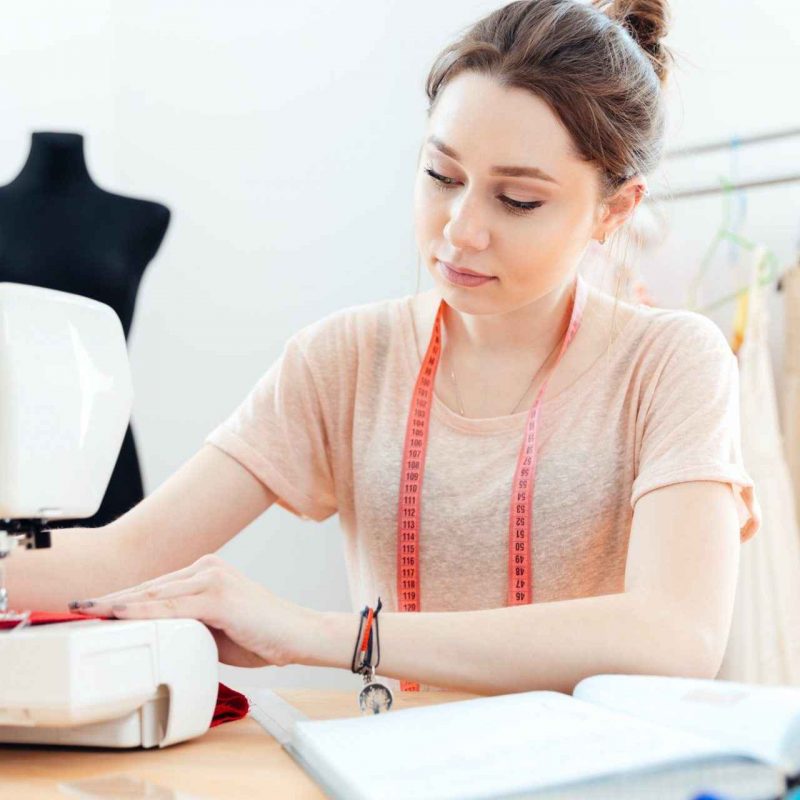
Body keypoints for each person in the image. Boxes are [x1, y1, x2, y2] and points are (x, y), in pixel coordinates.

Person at [7, 0, 761, 696]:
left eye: (518, 199)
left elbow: (676, 635)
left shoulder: (670, 363)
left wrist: (314, 634)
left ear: (614, 209)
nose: (461, 228)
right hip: (400, 770)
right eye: (441, 175)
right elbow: (120, 559)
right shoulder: (346, 360)